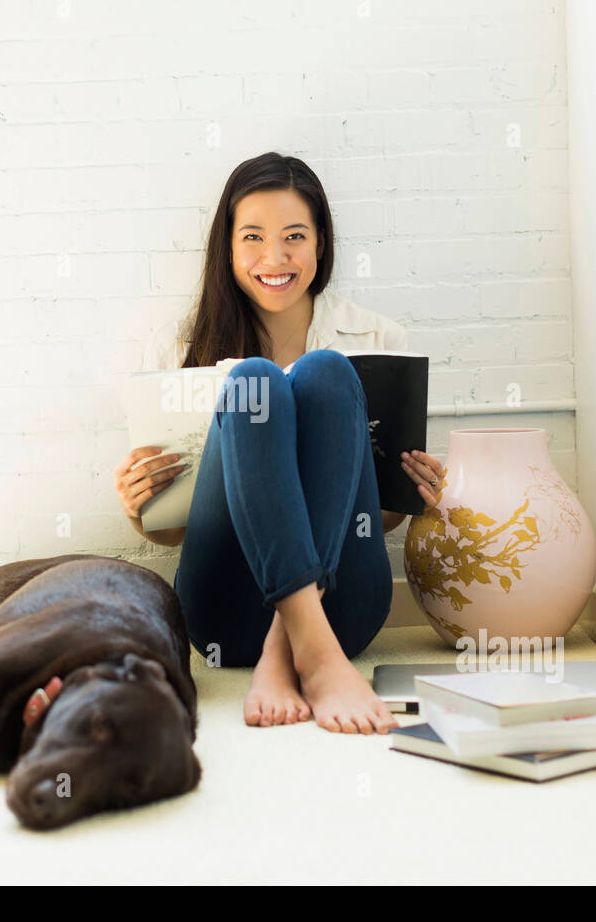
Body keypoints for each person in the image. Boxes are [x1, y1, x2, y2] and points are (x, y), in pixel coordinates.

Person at [113, 152, 446, 735]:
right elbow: (174, 531)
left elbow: (376, 523)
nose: (275, 258)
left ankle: (291, 643)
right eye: (254, 238)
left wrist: (414, 492)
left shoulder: (376, 338)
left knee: (326, 372)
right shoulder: (179, 350)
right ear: (229, 247)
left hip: (344, 608)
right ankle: (305, 653)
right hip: (226, 610)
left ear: (321, 244)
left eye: (295, 236)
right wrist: (139, 507)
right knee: (255, 381)